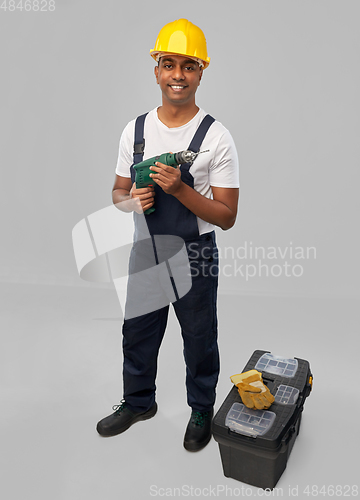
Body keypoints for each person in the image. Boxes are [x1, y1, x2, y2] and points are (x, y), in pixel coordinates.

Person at [96, 18, 240, 452]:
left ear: (201, 72)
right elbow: (119, 193)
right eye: (169, 64)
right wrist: (131, 201)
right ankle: (139, 402)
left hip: (194, 252)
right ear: (156, 69)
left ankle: (200, 408)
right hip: (147, 251)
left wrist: (180, 188)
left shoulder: (216, 137)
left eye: (189, 66)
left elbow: (228, 216)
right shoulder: (135, 130)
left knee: (199, 337)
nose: (178, 75)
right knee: (137, 332)